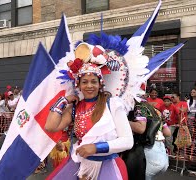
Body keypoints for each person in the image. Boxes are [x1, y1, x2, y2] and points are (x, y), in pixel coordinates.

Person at [45, 38, 133, 179]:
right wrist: (62, 101)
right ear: (78, 85)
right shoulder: (75, 107)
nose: (89, 86)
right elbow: (50, 126)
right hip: (79, 164)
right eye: (84, 82)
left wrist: (96, 148)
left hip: (107, 166)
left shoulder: (113, 104)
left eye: (94, 82)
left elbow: (128, 141)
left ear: (100, 84)